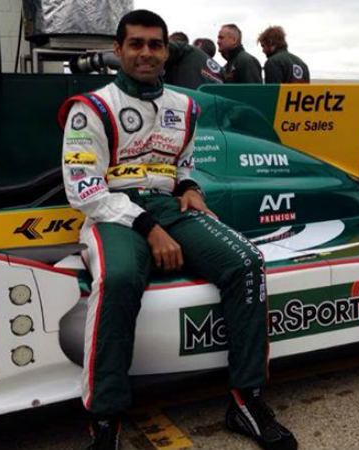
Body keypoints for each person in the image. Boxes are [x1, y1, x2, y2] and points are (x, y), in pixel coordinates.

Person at [58, 9, 298, 450]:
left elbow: (181, 165)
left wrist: (189, 187)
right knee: (119, 278)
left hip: (169, 208)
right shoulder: (91, 108)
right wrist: (148, 227)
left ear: (167, 52)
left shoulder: (184, 106)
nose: (146, 53)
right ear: (118, 49)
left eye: (155, 45)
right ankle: (105, 420)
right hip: (113, 212)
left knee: (247, 262)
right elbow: (84, 190)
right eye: (136, 44)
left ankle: (247, 401)